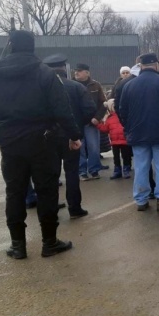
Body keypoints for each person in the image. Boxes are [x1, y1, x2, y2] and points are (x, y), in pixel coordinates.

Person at [0, 30, 82, 259]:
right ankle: (49, 242)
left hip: (9, 138)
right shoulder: (45, 73)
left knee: (14, 191)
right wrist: (74, 135)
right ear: (32, 47)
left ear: (10, 46)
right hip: (42, 138)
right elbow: (61, 109)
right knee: (47, 190)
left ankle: (18, 245)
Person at [119, 53, 159, 212]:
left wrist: (128, 128)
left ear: (141, 66)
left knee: (140, 167)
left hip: (138, 133)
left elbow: (122, 112)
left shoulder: (128, 85)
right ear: (156, 65)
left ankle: (141, 200)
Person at [42, 53, 96, 218]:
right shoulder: (77, 87)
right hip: (72, 135)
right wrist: (79, 126)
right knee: (72, 172)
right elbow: (89, 109)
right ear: (64, 69)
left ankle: (52, 208)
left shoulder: (42, 89)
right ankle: (74, 207)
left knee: (51, 174)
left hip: (49, 136)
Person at [74, 63, 107, 180]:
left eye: (79, 71)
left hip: (91, 122)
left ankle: (94, 170)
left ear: (87, 73)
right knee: (79, 148)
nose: (76, 73)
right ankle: (81, 171)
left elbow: (103, 104)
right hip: (77, 122)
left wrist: (97, 118)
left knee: (93, 147)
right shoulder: (72, 85)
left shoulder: (95, 85)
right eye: (75, 71)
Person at [97, 99, 131, 180]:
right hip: (120, 141)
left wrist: (99, 124)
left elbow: (105, 129)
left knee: (122, 156)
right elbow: (105, 129)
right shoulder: (123, 115)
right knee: (120, 156)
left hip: (120, 141)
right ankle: (123, 169)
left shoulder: (110, 118)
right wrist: (99, 124)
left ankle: (120, 170)